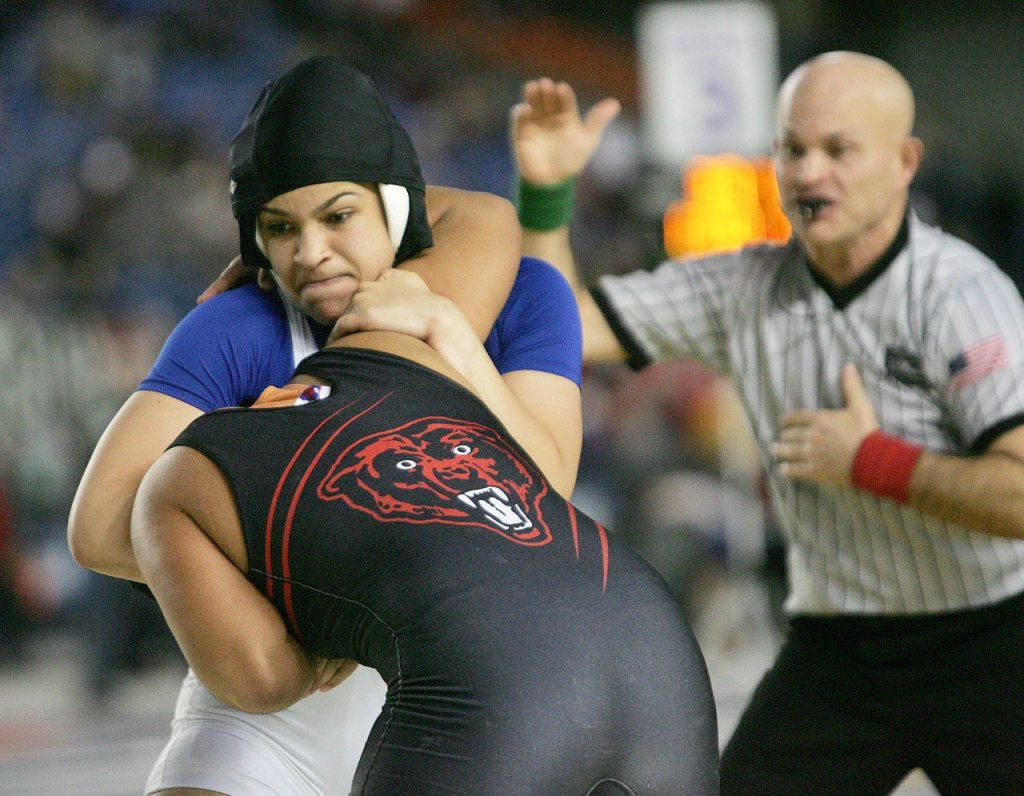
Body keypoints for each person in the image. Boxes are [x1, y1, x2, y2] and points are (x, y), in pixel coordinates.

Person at [511, 52, 1024, 794]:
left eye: (839, 150)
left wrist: (871, 462)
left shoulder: (963, 297)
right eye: (793, 149)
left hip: (993, 643)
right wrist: (547, 195)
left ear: (905, 160)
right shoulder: (744, 284)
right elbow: (559, 331)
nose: (810, 173)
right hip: (840, 650)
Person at [68, 55, 582, 795]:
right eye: (279, 228)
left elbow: (544, 497)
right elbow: (104, 526)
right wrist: (310, 590)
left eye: (338, 217)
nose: (310, 254)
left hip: (472, 698)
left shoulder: (526, 295)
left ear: (397, 210)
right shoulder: (242, 322)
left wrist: (452, 339)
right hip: (276, 715)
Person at [130, 325, 720, 795]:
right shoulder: (398, 348)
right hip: (657, 650)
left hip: (498, 699)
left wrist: (315, 628)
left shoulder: (180, 475)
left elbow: (265, 682)